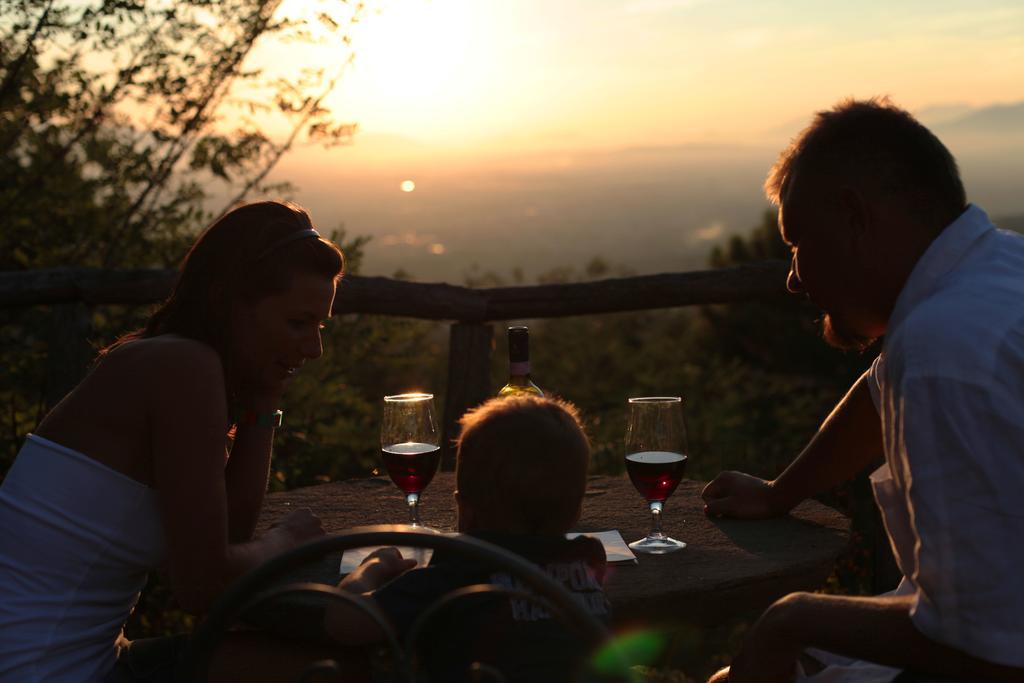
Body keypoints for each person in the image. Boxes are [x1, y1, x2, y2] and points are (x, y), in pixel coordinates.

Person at [701, 98, 1024, 683]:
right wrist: (781, 492)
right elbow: (878, 395)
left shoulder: (942, 351)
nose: (794, 279)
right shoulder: (1000, 269)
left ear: (854, 217)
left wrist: (792, 620)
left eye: (798, 244)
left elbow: (989, 654)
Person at [0, 201, 349, 682]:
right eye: (297, 323)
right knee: (340, 667)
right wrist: (286, 541)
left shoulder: (169, 362)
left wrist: (264, 397)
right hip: (46, 673)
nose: (314, 348)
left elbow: (228, 537)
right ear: (231, 302)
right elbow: (202, 587)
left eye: (320, 326)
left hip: (83, 661)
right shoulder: (181, 368)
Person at [324, 395, 611, 682]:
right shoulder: (589, 562)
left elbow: (344, 620)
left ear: (466, 511)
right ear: (576, 512)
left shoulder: (455, 575)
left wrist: (373, 566)